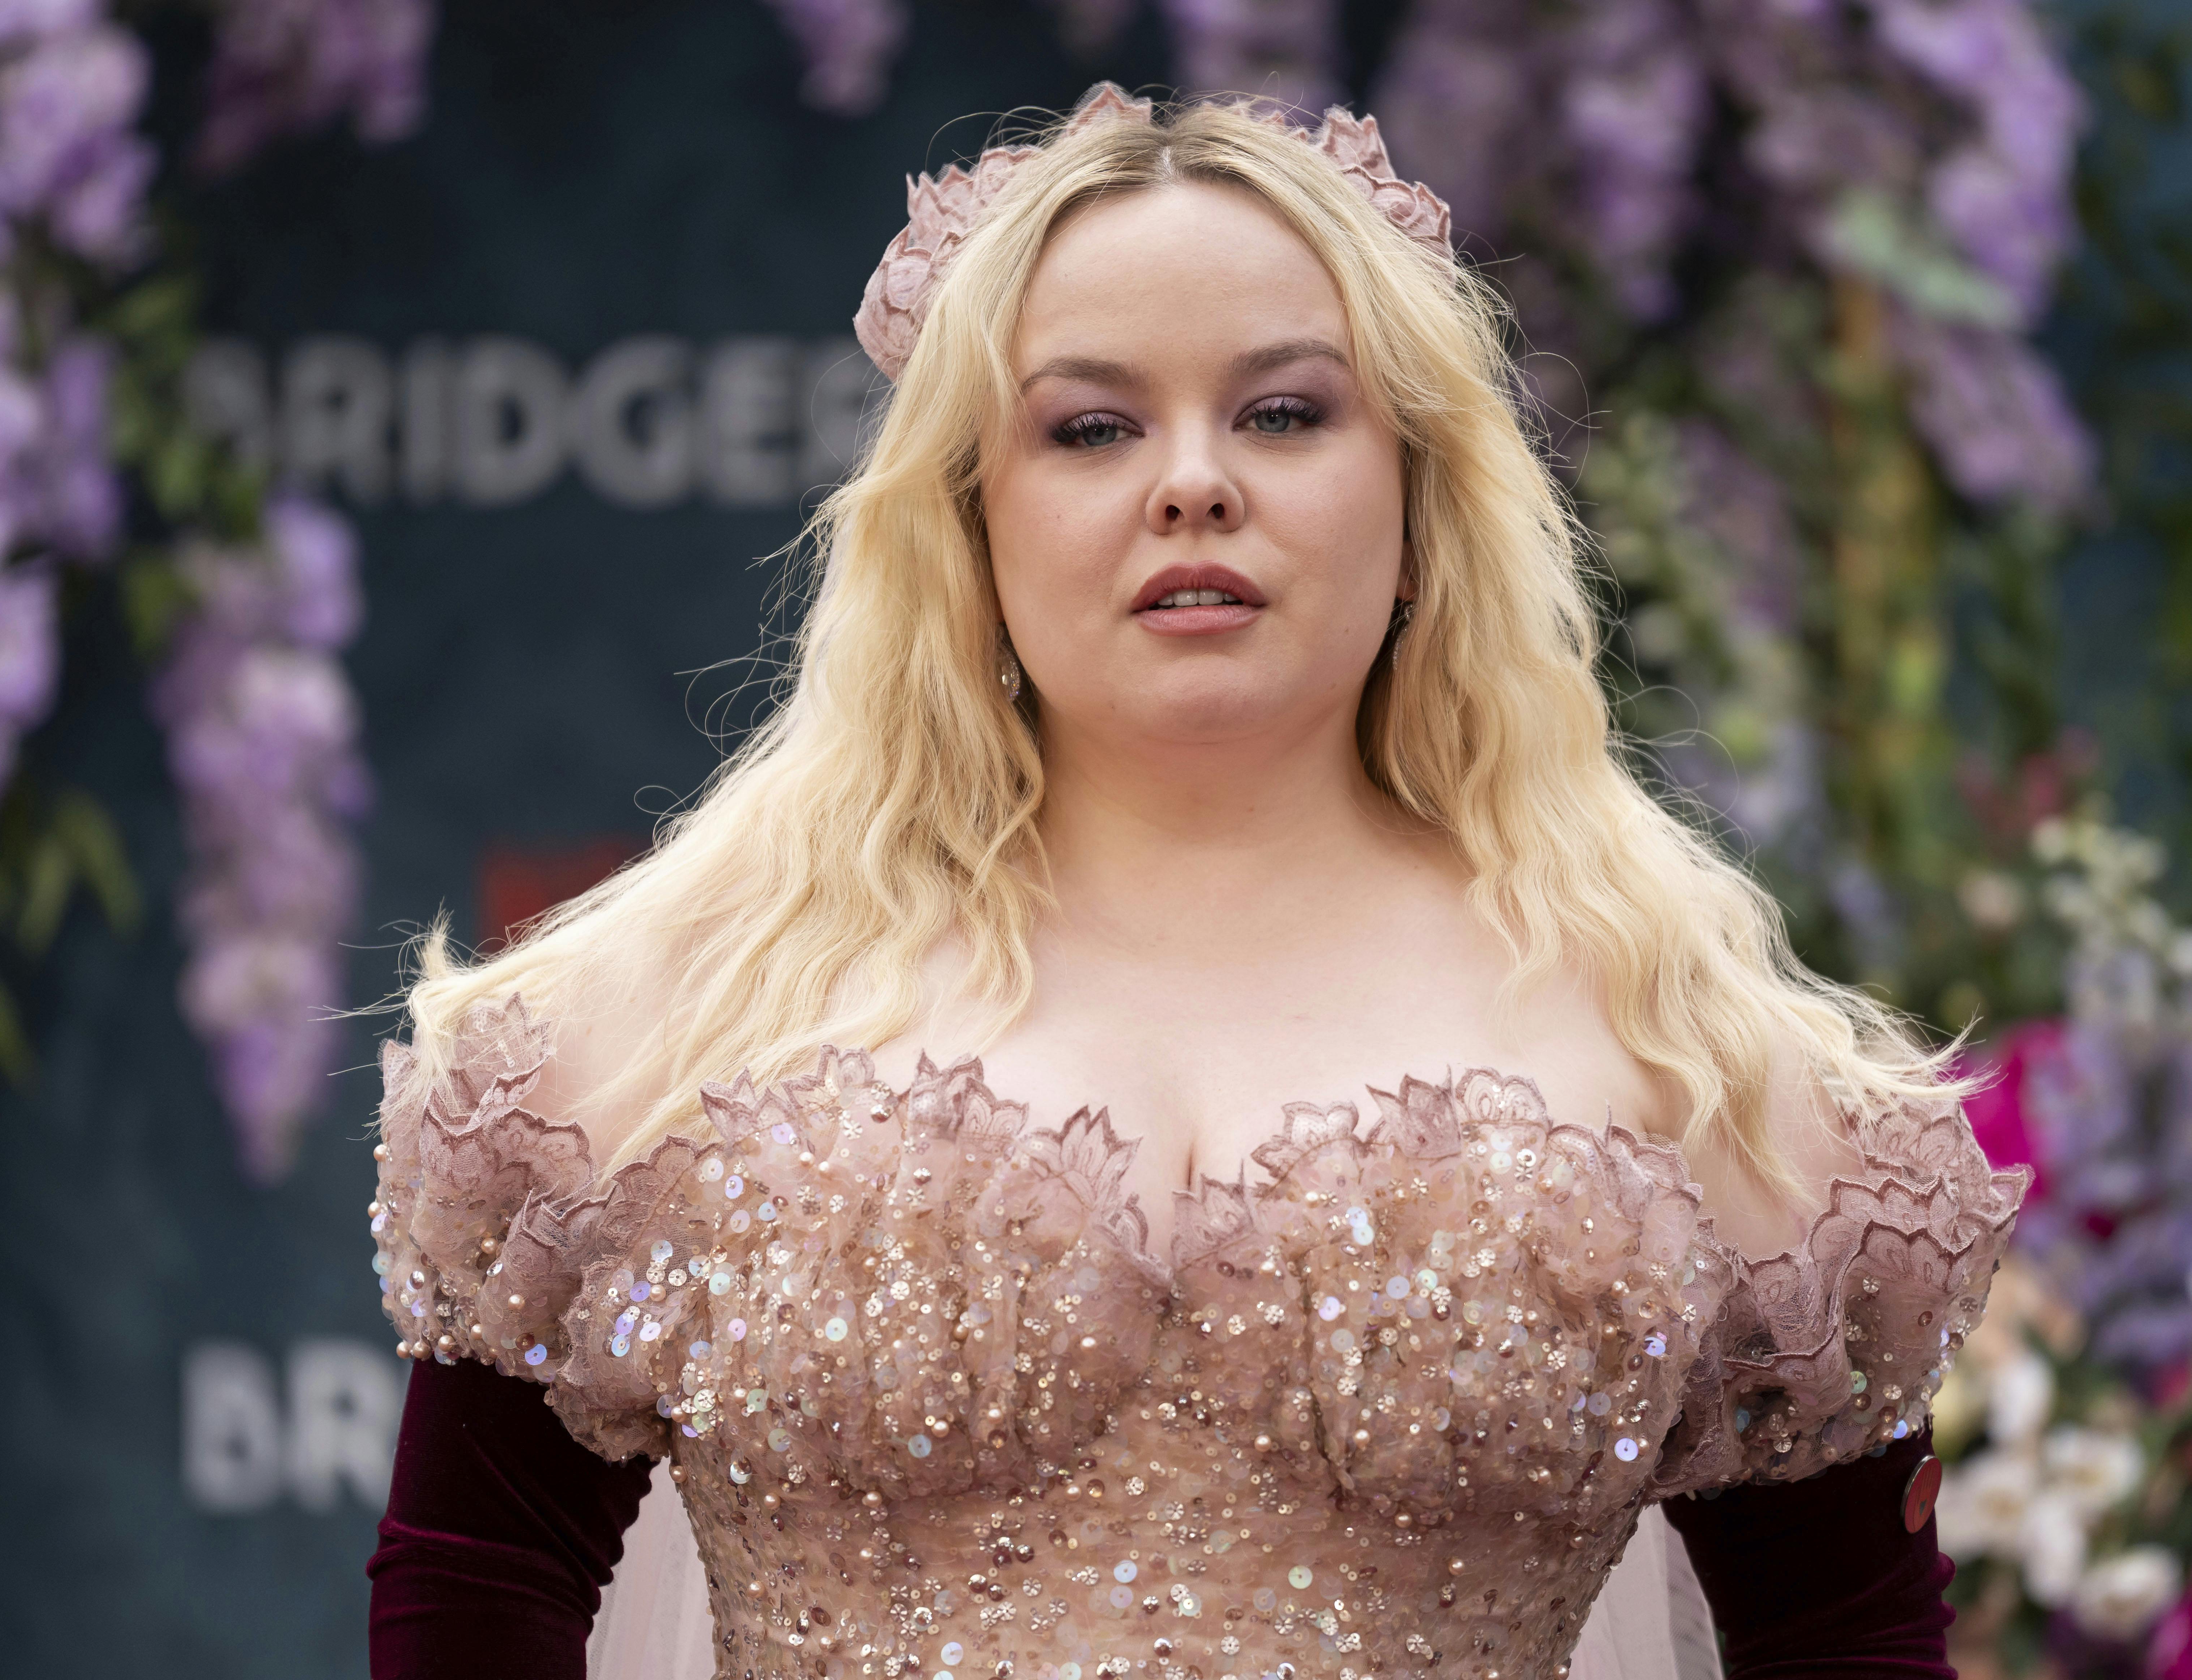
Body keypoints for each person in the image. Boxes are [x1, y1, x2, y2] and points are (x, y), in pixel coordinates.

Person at [363, 85, 2025, 1680]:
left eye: (1283, 411)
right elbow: (480, 1575)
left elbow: (1838, 1640)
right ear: (968, 514)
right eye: (1090, 425)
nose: (1191, 482)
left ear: (1420, 486)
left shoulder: (1687, 1053)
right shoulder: (672, 1026)